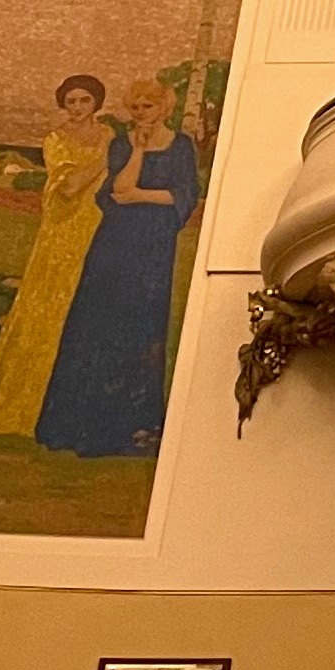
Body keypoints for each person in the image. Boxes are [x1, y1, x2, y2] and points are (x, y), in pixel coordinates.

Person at [36, 79, 204, 456]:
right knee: (98, 323)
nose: (141, 114)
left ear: (164, 108)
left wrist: (142, 196)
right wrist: (139, 153)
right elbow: (117, 191)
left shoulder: (180, 147)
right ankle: (83, 424)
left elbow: (183, 195)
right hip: (114, 243)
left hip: (154, 247)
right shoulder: (121, 145)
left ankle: (135, 426)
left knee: (142, 327)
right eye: (136, 108)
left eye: (148, 107)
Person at [0, 76, 112, 437]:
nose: (76, 108)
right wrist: (106, 158)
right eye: (70, 101)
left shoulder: (107, 134)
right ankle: (27, 401)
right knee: (50, 308)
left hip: (101, 228)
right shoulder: (56, 140)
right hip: (64, 232)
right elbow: (71, 187)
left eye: (84, 100)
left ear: (96, 103)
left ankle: (77, 405)